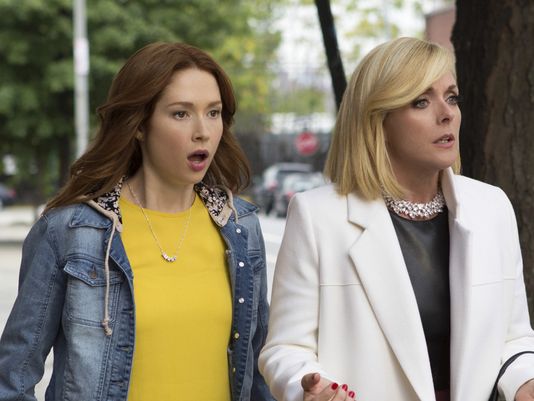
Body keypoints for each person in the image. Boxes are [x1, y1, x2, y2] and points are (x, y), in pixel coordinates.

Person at [258, 37, 534, 401]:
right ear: (378, 121)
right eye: (421, 101)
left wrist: (525, 381)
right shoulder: (317, 216)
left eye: (452, 97)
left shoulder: (492, 207)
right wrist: (309, 385)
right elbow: (286, 348)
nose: (447, 114)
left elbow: (515, 338)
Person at [0, 42, 273, 401]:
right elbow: (13, 379)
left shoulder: (241, 228)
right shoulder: (71, 232)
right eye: (180, 114)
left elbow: (259, 374)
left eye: (213, 112)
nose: (203, 131)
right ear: (140, 125)